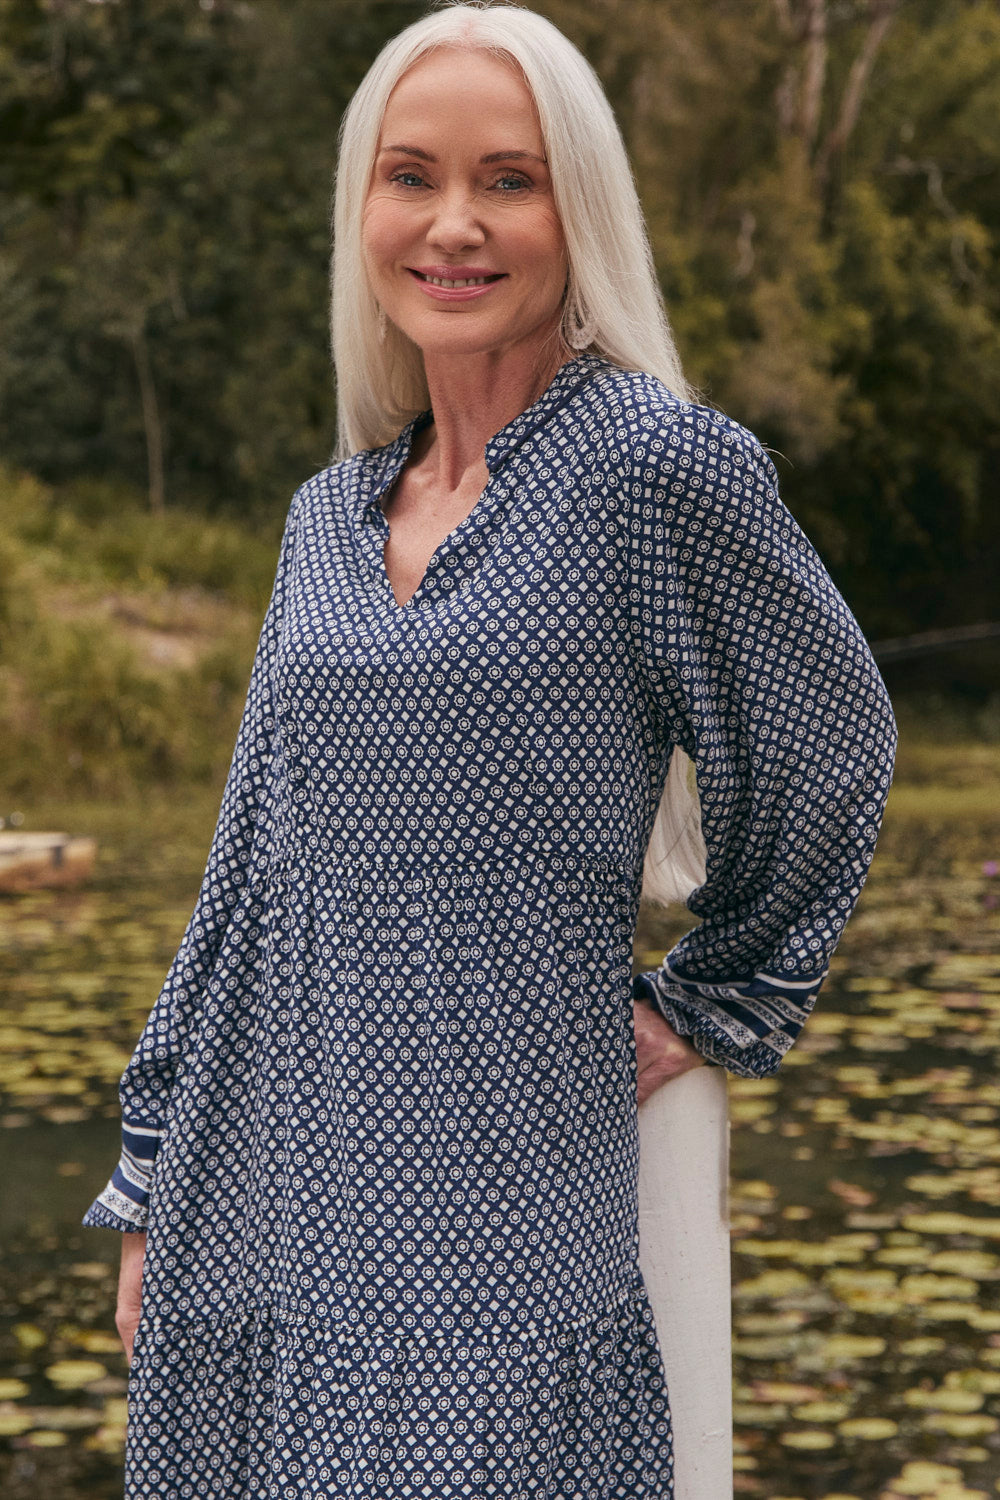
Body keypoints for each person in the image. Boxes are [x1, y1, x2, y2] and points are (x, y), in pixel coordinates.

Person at [82, 4, 897, 1496]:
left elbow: (832, 740)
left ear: (574, 205)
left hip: (506, 1207)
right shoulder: (324, 520)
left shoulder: (654, 466)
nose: (455, 224)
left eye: (508, 180)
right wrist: (155, 1162)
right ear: (363, 211)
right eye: (413, 177)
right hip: (270, 1186)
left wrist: (719, 1001)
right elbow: (251, 864)